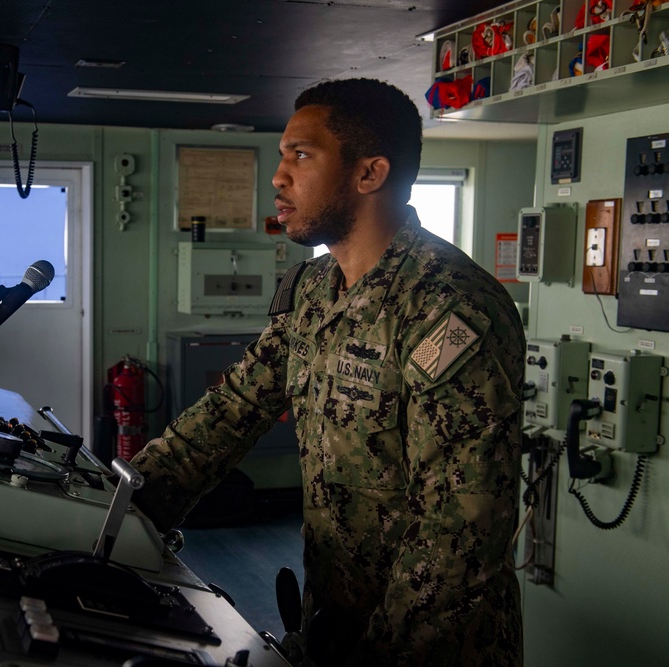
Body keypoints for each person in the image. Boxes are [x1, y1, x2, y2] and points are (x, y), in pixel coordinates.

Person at [130, 78, 525, 666]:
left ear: (370, 174)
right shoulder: (313, 289)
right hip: (332, 619)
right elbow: (231, 410)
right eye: (284, 154)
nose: (278, 175)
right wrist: (124, 510)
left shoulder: (450, 307)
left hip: (425, 646)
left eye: (301, 155)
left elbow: (459, 531)